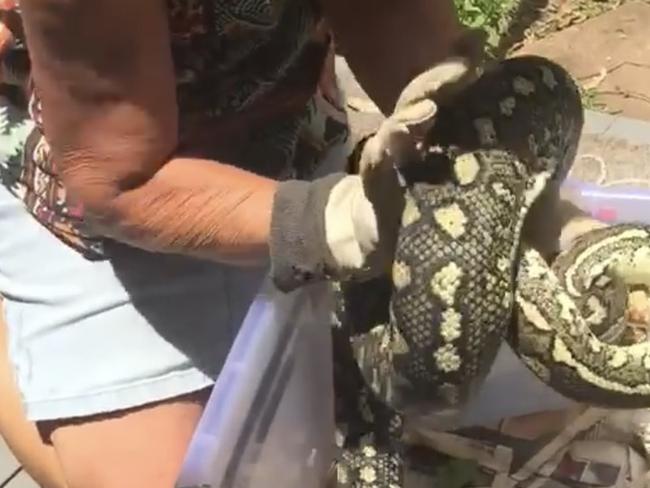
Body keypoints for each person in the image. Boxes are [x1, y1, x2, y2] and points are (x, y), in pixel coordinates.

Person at [0, 0, 493, 486]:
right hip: (87, 181)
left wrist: (471, 154)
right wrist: (335, 223)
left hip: (280, 117)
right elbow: (119, 185)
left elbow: (385, 13)